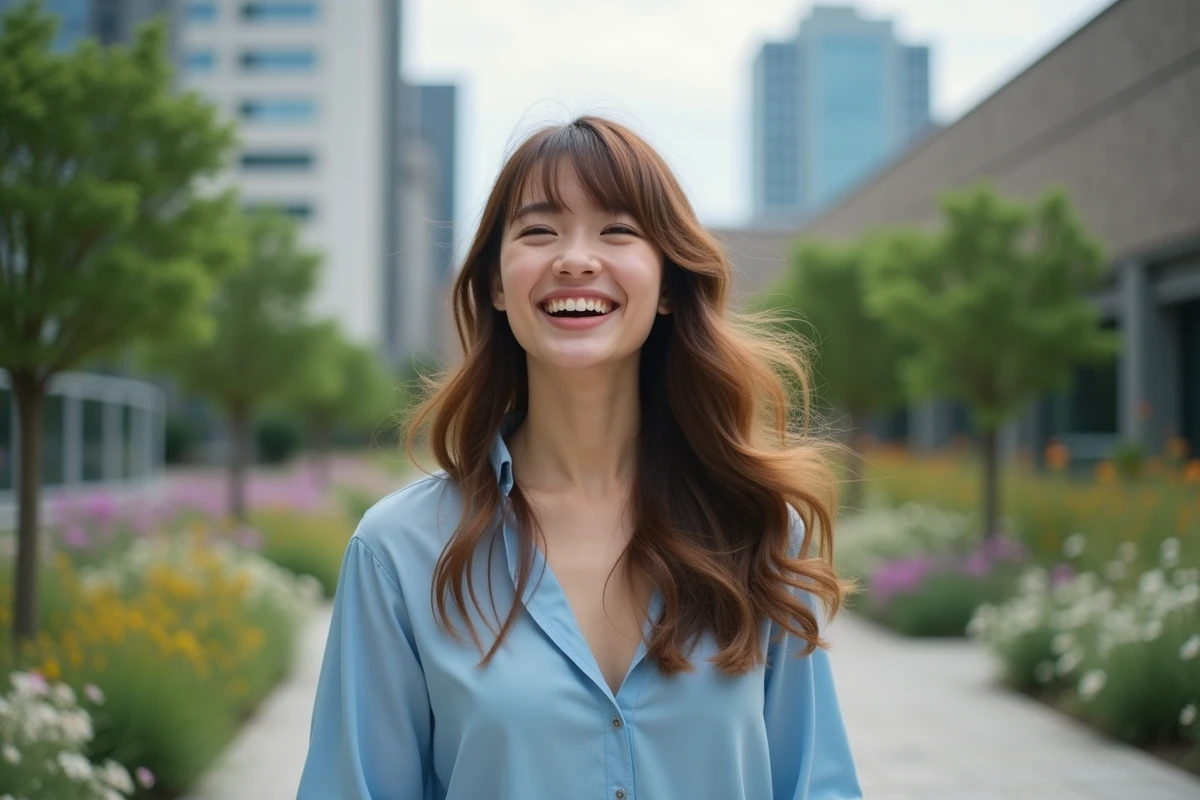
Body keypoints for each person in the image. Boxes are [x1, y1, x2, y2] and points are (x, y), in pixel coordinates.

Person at [297, 115, 861, 800]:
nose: (575, 258)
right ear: (498, 286)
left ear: (670, 284)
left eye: (618, 230)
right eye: (539, 231)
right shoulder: (398, 550)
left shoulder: (759, 528)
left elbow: (815, 784)